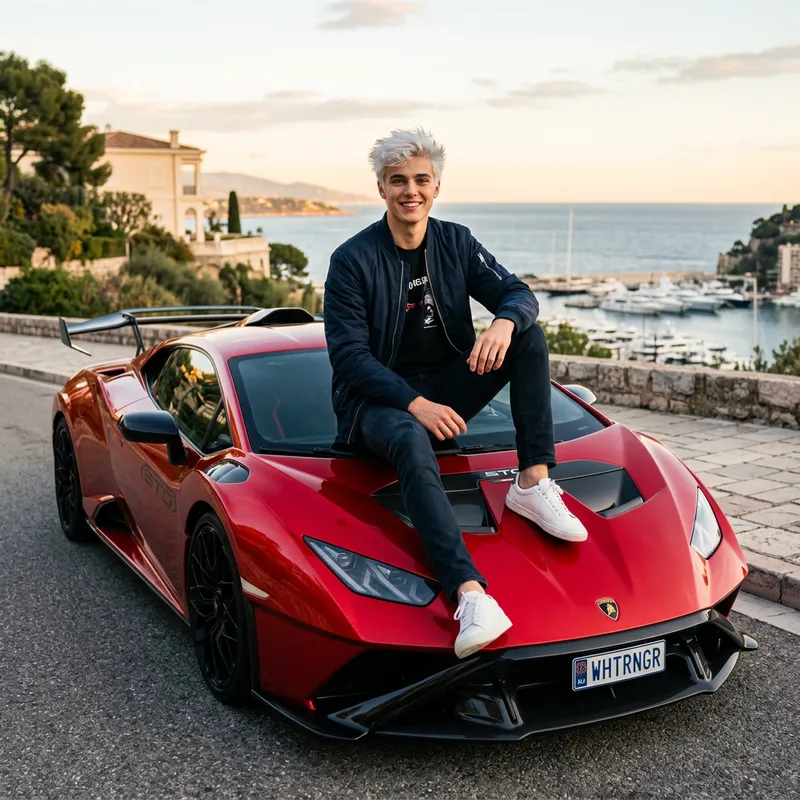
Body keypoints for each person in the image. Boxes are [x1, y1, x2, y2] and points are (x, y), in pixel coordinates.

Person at [323, 127, 588, 659]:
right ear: (381, 188)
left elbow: (518, 293)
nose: (411, 191)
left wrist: (504, 324)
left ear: (437, 187)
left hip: (446, 386)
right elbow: (349, 357)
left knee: (528, 337)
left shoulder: (456, 242)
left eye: (421, 180)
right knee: (410, 437)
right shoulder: (352, 260)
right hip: (376, 403)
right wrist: (415, 405)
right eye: (398, 180)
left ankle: (533, 482)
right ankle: (470, 595)